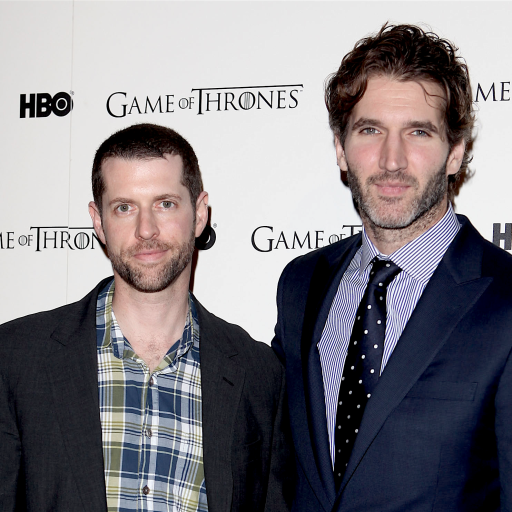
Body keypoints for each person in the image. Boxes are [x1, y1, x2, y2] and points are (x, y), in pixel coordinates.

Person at [272, 24, 512, 512]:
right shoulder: (301, 284)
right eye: (370, 130)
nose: (392, 160)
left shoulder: (506, 300)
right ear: (341, 149)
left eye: (418, 132)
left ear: (456, 153)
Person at [0, 123, 293, 512]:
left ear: (200, 214)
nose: (146, 230)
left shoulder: (260, 375)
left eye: (165, 204)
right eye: (124, 207)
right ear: (98, 221)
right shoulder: (15, 360)